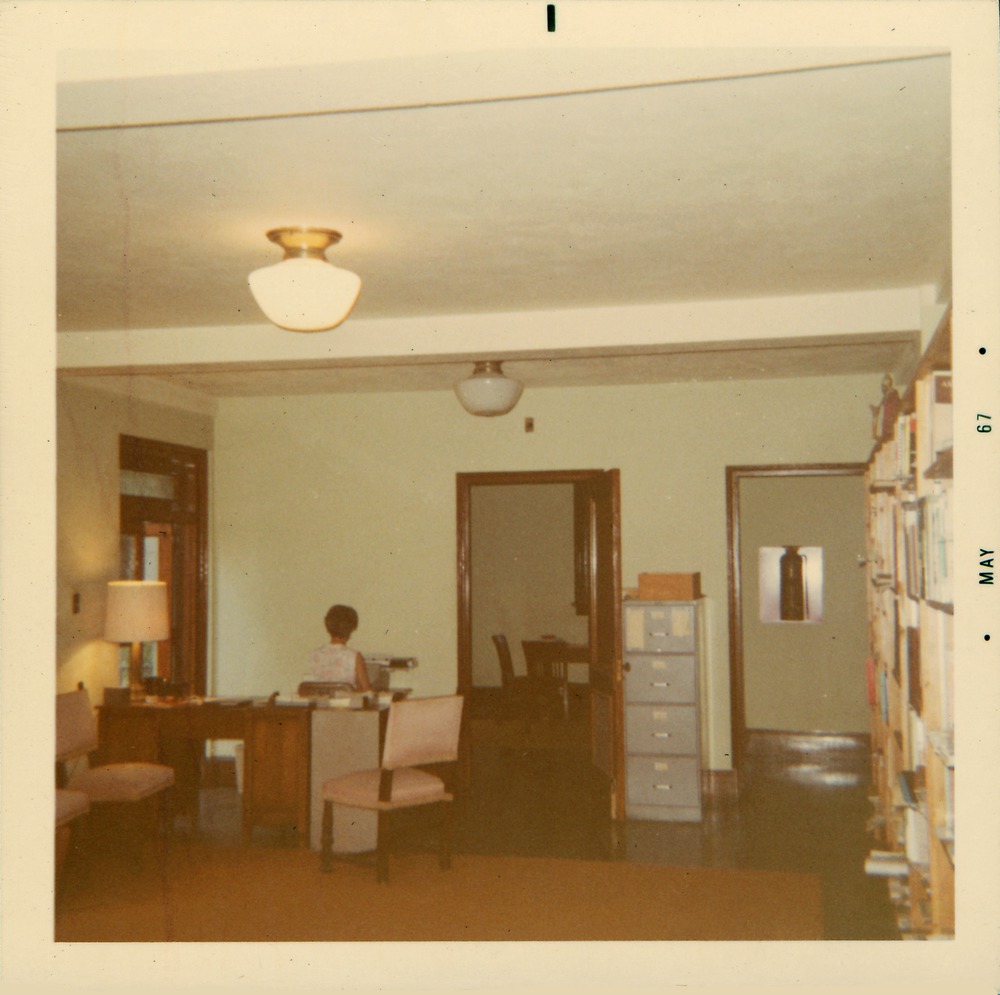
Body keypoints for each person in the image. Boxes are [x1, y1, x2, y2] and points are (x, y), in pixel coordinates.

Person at [309, 604, 371, 691]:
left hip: (322, 704)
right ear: (351, 628)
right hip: (348, 704)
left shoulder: (315, 655)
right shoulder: (354, 656)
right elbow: (367, 692)